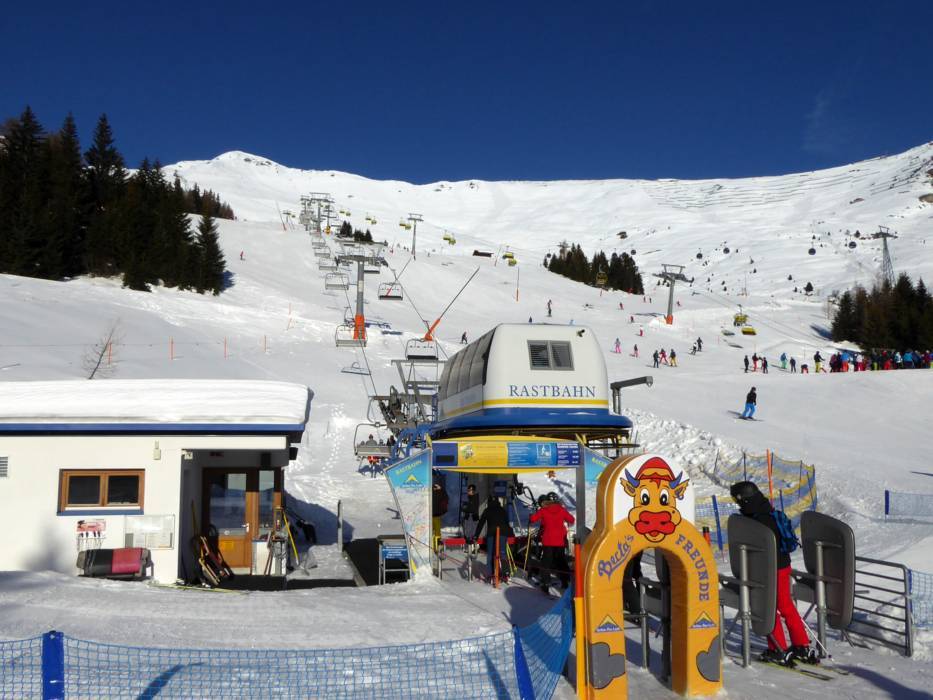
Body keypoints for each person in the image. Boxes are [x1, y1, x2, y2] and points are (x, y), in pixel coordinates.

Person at [730, 481, 817, 665]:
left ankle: (777, 648)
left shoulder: (755, 521)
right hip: (783, 566)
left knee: (768, 607)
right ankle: (801, 645)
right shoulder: (768, 511)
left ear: (744, 500)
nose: (738, 505)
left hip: (766, 570)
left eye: (738, 501)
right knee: (785, 605)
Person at [529, 493, 574, 592]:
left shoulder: (543, 510)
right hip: (560, 541)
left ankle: (545, 583)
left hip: (548, 540)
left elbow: (533, 519)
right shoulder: (562, 509)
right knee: (561, 561)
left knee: (546, 562)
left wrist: (531, 516)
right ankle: (565, 581)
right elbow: (572, 520)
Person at [473, 496, 511, 583]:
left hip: (491, 532)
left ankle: (490, 575)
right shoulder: (502, 510)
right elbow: (507, 522)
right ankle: (506, 573)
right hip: (503, 532)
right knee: (502, 553)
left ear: (489, 502)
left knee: (490, 553)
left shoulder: (487, 510)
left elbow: (481, 523)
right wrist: (509, 533)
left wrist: (476, 536)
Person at [432, 481, 449, 545]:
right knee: (437, 530)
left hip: (430, 515)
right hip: (436, 515)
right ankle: (437, 543)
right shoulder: (440, 493)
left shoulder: (430, 493)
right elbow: (446, 497)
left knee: (433, 530)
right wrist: (441, 489)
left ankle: (434, 543)